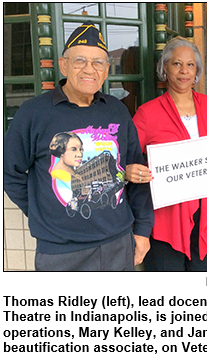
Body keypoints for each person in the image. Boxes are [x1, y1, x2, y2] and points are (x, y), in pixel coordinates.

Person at [4, 21, 154, 271]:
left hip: (118, 244)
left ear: (106, 70)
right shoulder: (33, 113)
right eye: (79, 61)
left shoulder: (117, 110)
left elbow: (136, 170)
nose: (89, 69)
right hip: (61, 253)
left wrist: (143, 230)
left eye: (98, 63)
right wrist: (45, 215)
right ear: (64, 65)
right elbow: (11, 173)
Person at [126, 36, 207, 271]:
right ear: (165, 67)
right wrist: (128, 171)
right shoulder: (148, 113)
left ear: (197, 70)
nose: (183, 71)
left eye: (190, 64)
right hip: (167, 219)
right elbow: (125, 156)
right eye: (176, 64)